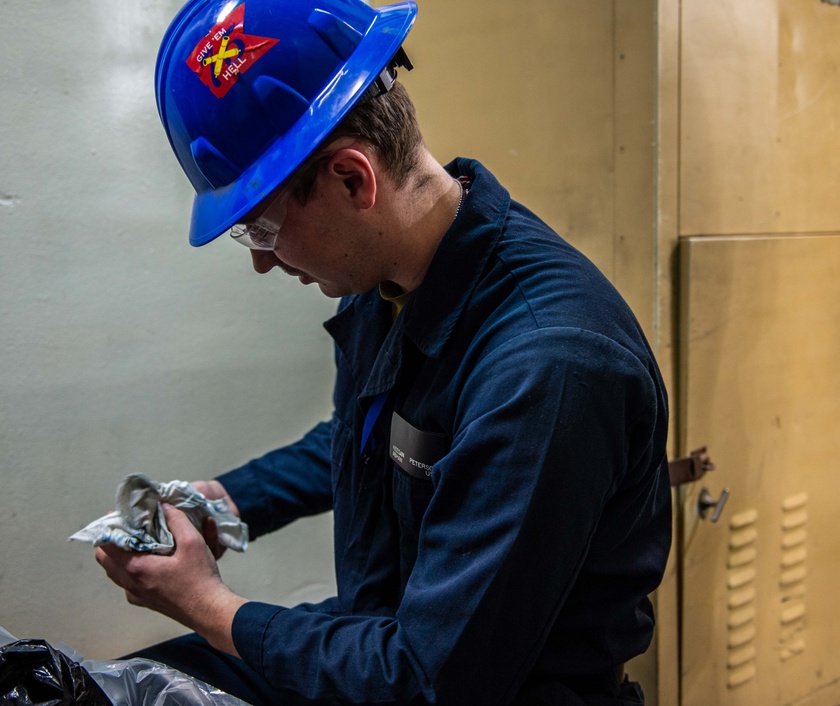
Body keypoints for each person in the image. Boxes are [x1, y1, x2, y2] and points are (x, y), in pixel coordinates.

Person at [95, 0, 672, 704]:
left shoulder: (550, 366)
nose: (263, 263)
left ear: (351, 180)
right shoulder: (385, 282)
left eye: (262, 228)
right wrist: (233, 501)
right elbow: (378, 436)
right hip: (380, 645)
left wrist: (208, 606)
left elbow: (429, 680)